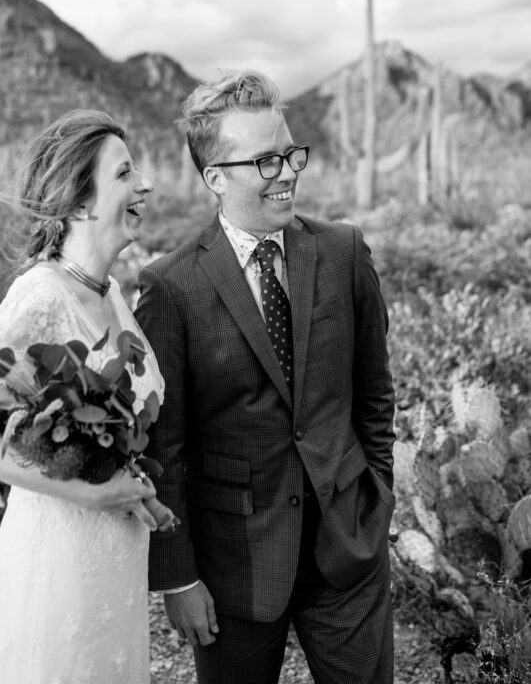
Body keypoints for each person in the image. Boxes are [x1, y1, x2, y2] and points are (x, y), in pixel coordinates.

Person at [135, 70, 396, 684]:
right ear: (216, 179)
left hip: (347, 546)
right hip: (235, 568)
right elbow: (165, 448)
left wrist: (376, 502)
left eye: (289, 152)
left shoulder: (343, 252)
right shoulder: (171, 287)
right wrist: (179, 575)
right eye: (266, 160)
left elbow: (375, 395)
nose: (287, 171)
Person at [0, 109, 168, 684]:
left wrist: (133, 487)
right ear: (79, 204)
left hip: (117, 563)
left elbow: (109, 437)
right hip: (59, 559)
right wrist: (87, 495)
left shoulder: (114, 293)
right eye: (124, 173)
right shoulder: (37, 297)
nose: (144, 184)